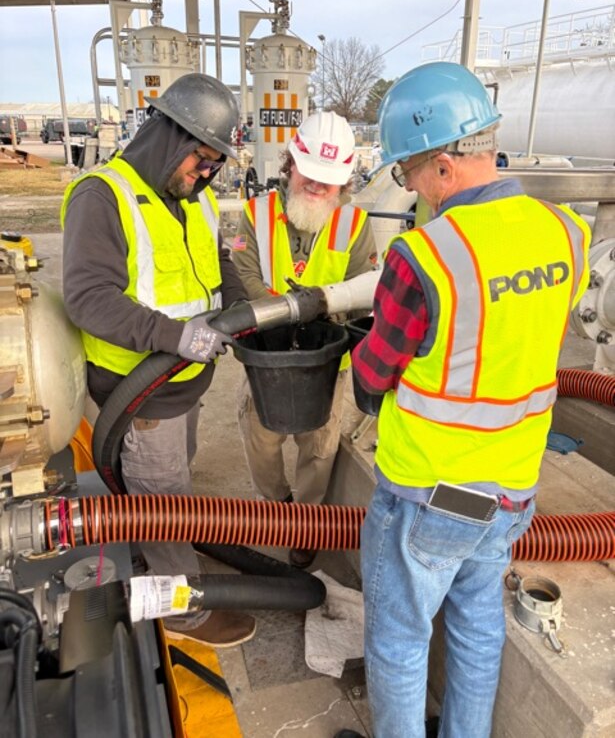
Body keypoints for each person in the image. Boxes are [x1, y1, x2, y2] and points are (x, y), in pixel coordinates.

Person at [351, 62, 590, 737]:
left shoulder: (425, 254)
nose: (409, 187)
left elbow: (376, 373)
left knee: (398, 641)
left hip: (431, 492)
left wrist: (360, 367)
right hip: (510, 491)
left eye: (408, 172)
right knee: (476, 625)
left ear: (445, 167)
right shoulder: (565, 232)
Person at [61, 72, 256, 649]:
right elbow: (89, 297)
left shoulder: (189, 197)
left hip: (182, 385)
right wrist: (172, 336)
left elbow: (217, 267)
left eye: (216, 165)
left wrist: (244, 313)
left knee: (167, 483)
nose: (206, 174)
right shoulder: (104, 195)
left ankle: (158, 554)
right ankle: (182, 611)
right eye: (201, 159)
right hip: (138, 391)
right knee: (162, 497)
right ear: (168, 134)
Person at [232, 111, 378, 569]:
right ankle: (278, 506)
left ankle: (306, 522)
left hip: (324, 357)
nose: (316, 188)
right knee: (262, 440)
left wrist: (320, 309)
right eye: (309, 175)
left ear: (345, 183)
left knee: (319, 444)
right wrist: (283, 312)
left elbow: (363, 287)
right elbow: (243, 273)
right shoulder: (256, 215)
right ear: (290, 164)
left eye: (327, 182)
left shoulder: (355, 225)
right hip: (267, 356)